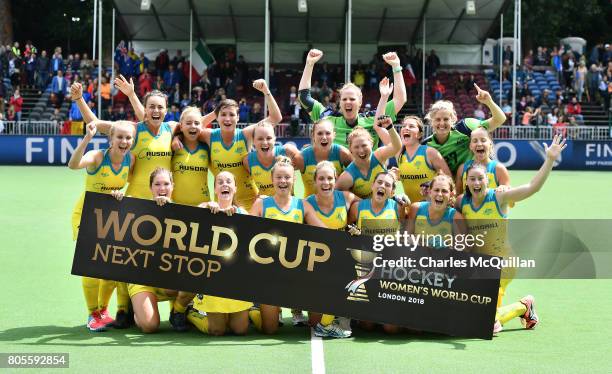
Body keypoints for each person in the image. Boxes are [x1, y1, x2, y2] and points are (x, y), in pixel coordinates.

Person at [456, 135, 567, 333]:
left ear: (487, 181)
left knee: (485, 323)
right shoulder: (460, 202)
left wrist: (549, 159)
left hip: (504, 264)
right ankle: (520, 309)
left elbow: (532, 187)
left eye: (480, 178)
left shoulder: (499, 197)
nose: (476, 182)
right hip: (479, 266)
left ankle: (525, 305)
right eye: (472, 179)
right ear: (466, 182)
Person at [67, 121, 135, 331]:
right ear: (111, 139)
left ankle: (103, 311)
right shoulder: (98, 157)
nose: (124, 142)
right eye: (120, 137)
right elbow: (73, 164)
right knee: (92, 268)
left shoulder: (130, 160)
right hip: (86, 216)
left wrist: (125, 194)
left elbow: (133, 185)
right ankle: (92, 314)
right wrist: (87, 139)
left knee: (111, 270)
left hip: (110, 220)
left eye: (128, 138)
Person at [177, 79, 282, 211]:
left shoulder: (245, 134)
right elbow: (190, 126)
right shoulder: (209, 136)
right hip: (221, 205)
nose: (227, 119)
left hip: (249, 204)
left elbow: (275, 118)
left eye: (232, 114)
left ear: (238, 117)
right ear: (217, 117)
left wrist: (266, 91)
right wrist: (177, 136)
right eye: (223, 115)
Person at [249, 156, 325, 334]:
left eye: (287, 177)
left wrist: (350, 237)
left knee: (316, 326)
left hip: (298, 273)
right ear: (272, 179)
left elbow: (324, 232)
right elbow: (243, 231)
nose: (283, 181)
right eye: (279, 177)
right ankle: (253, 310)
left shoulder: (302, 205)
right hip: (270, 275)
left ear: (294, 180)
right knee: (270, 330)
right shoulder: (261, 204)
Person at [185, 171, 253, 336]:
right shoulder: (206, 209)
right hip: (212, 280)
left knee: (240, 330)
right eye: (220, 182)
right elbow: (190, 221)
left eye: (229, 181)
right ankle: (191, 313)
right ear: (215, 189)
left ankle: (234, 315)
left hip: (235, 282)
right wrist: (206, 208)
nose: (225, 184)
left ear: (235, 188)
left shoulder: (243, 213)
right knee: (217, 330)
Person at [298, 49, 406, 148]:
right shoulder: (327, 117)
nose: (348, 102)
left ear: (360, 102)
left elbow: (400, 99)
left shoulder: (374, 117)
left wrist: (396, 67)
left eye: (352, 99)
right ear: (339, 102)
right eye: (344, 99)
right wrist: (309, 64)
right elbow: (304, 98)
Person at [305, 161, 359, 338]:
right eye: (321, 178)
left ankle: (344, 318)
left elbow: (369, 209)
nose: (326, 182)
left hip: (342, 260)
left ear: (336, 180)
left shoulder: (347, 198)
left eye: (329, 178)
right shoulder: (307, 204)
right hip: (318, 261)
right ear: (314, 181)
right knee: (314, 322)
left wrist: (355, 227)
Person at [347, 171, 406, 333]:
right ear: (372, 186)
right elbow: (347, 230)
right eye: (379, 182)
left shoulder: (398, 208)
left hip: (389, 271)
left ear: (392, 192)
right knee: (367, 326)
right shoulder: (357, 208)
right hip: (365, 269)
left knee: (391, 329)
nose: (382, 186)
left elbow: (406, 234)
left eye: (387, 185)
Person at [125, 167, 180, 333]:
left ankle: (179, 311)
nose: (162, 189)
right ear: (150, 188)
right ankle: (135, 308)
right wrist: (117, 200)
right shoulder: (139, 210)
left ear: (172, 186)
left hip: (168, 277)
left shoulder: (183, 213)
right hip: (142, 277)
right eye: (157, 184)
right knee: (149, 326)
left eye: (166, 184)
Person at [335, 78, 402, 199]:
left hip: (384, 208)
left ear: (372, 144)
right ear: (350, 149)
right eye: (356, 147)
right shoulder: (348, 176)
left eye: (364, 146)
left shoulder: (378, 155)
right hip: (362, 213)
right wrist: (359, 201)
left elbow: (397, 146)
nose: (361, 150)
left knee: (402, 203)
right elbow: (335, 194)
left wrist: (390, 128)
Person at [421, 84, 506, 177]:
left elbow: (500, 119)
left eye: (446, 119)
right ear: (431, 121)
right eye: (438, 119)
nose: (442, 123)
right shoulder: (426, 145)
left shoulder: (466, 127)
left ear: (453, 119)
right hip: (448, 188)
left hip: (476, 181)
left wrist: (489, 102)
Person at [395, 115, 451, 204]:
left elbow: (449, 180)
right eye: (404, 126)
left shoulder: (430, 153)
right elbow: (379, 129)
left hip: (429, 210)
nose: (406, 128)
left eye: (411, 126)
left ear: (420, 134)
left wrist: (433, 186)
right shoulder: (399, 153)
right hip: (408, 210)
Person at [293, 118, 352, 197]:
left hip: (336, 205)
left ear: (334, 135)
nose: (324, 137)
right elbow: (284, 175)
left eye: (328, 133)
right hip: (310, 206)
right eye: (320, 133)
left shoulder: (343, 153)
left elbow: (356, 175)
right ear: (313, 135)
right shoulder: (301, 158)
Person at [406, 174, 466, 250]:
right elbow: (406, 237)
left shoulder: (456, 217)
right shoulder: (416, 209)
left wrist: (447, 248)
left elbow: (465, 249)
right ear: (430, 192)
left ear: (451, 195)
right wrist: (417, 242)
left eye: (444, 191)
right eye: (436, 190)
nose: (440, 194)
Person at [243, 121, 299, 197]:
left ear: (274, 139)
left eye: (269, 138)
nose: (265, 142)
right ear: (253, 141)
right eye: (260, 139)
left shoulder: (288, 151)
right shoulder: (248, 161)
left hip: (288, 206)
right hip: (265, 207)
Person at [171, 106, 211, 206]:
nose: (193, 126)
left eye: (197, 123)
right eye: (188, 123)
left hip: (202, 207)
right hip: (176, 206)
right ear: (181, 126)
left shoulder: (207, 147)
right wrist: (176, 138)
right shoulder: (173, 146)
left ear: (202, 126)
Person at [455, 126, 510, 195]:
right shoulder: (462, 169)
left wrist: (504, 189)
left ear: (490, 144)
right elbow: (457, 198)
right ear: (470, 146)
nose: (479, 144)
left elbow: (507, 199)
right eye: (475, 141)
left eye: (483, 140)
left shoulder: (499, 169)